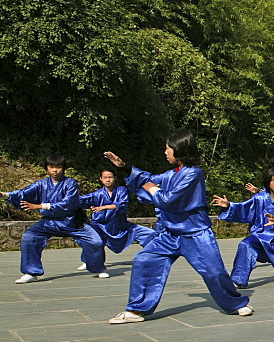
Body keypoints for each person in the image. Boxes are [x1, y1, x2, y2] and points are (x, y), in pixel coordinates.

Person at [103, 130, 252, 323]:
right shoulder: (171, 174)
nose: (165, 152)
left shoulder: (194, 174)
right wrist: (125, 167)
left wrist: (151, 188)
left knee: (214, 271)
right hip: (170, 234)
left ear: (179, 149)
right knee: (144, 260)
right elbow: (147, 178)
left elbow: (168, 200)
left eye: (168, 148)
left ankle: (235, 304)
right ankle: (136, 310)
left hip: (195, 234)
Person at [3, 155, 108, 283]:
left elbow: (67, 203)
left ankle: (98, 268)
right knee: (29, 237)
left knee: (95, 242)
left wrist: (40, 206)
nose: (54, 170)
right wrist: (5, 195)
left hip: (73, 222)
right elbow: (23, 194)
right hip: (49, 222)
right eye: (51, 167)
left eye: (58, 167)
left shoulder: (71, 183)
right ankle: (31, 272)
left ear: (63, 169)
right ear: (47, 168)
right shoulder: (41, 184)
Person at [77, 169, 155, 271]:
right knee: (93, 241)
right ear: (101, 179)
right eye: (105, 177)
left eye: (110, 177)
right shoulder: (96, 195)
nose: (108, 180)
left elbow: (121, 204)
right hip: (101, 226)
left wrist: (104, 207)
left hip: (121, 226)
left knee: (150, 234)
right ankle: (88, 261)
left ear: (115, 178)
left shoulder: (122, 190)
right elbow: (79, 200)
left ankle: (152, 257)